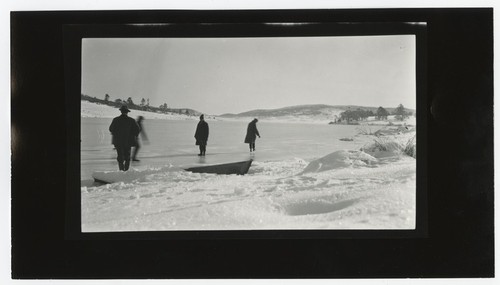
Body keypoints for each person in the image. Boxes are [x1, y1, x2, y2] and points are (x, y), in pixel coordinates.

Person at [109, 105, 140, 171]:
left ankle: (121, 170)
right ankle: (126, 171)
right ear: (127, 112)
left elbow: (111, 129)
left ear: (121, 111)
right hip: (128, 142)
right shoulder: (131, 120)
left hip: (118, 142)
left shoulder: (116, 120)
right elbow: (137, 130)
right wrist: (133, 135)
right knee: (127, 157)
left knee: (120, 157)